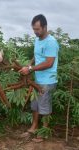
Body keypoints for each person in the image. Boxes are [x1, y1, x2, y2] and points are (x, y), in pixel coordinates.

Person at [19, 14, 59, 142]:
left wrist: (30, 69)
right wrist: (29, 65)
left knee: (45, 107)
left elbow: (49, 63)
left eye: (37, 29)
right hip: (38, 79)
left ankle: (44, 131)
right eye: (34, 29)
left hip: (48, 80)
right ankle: (34, 127)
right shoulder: (37, 39)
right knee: (35, 105)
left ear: (45, 27)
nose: (35, 32)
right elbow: (37, 56)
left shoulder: (51, 42)